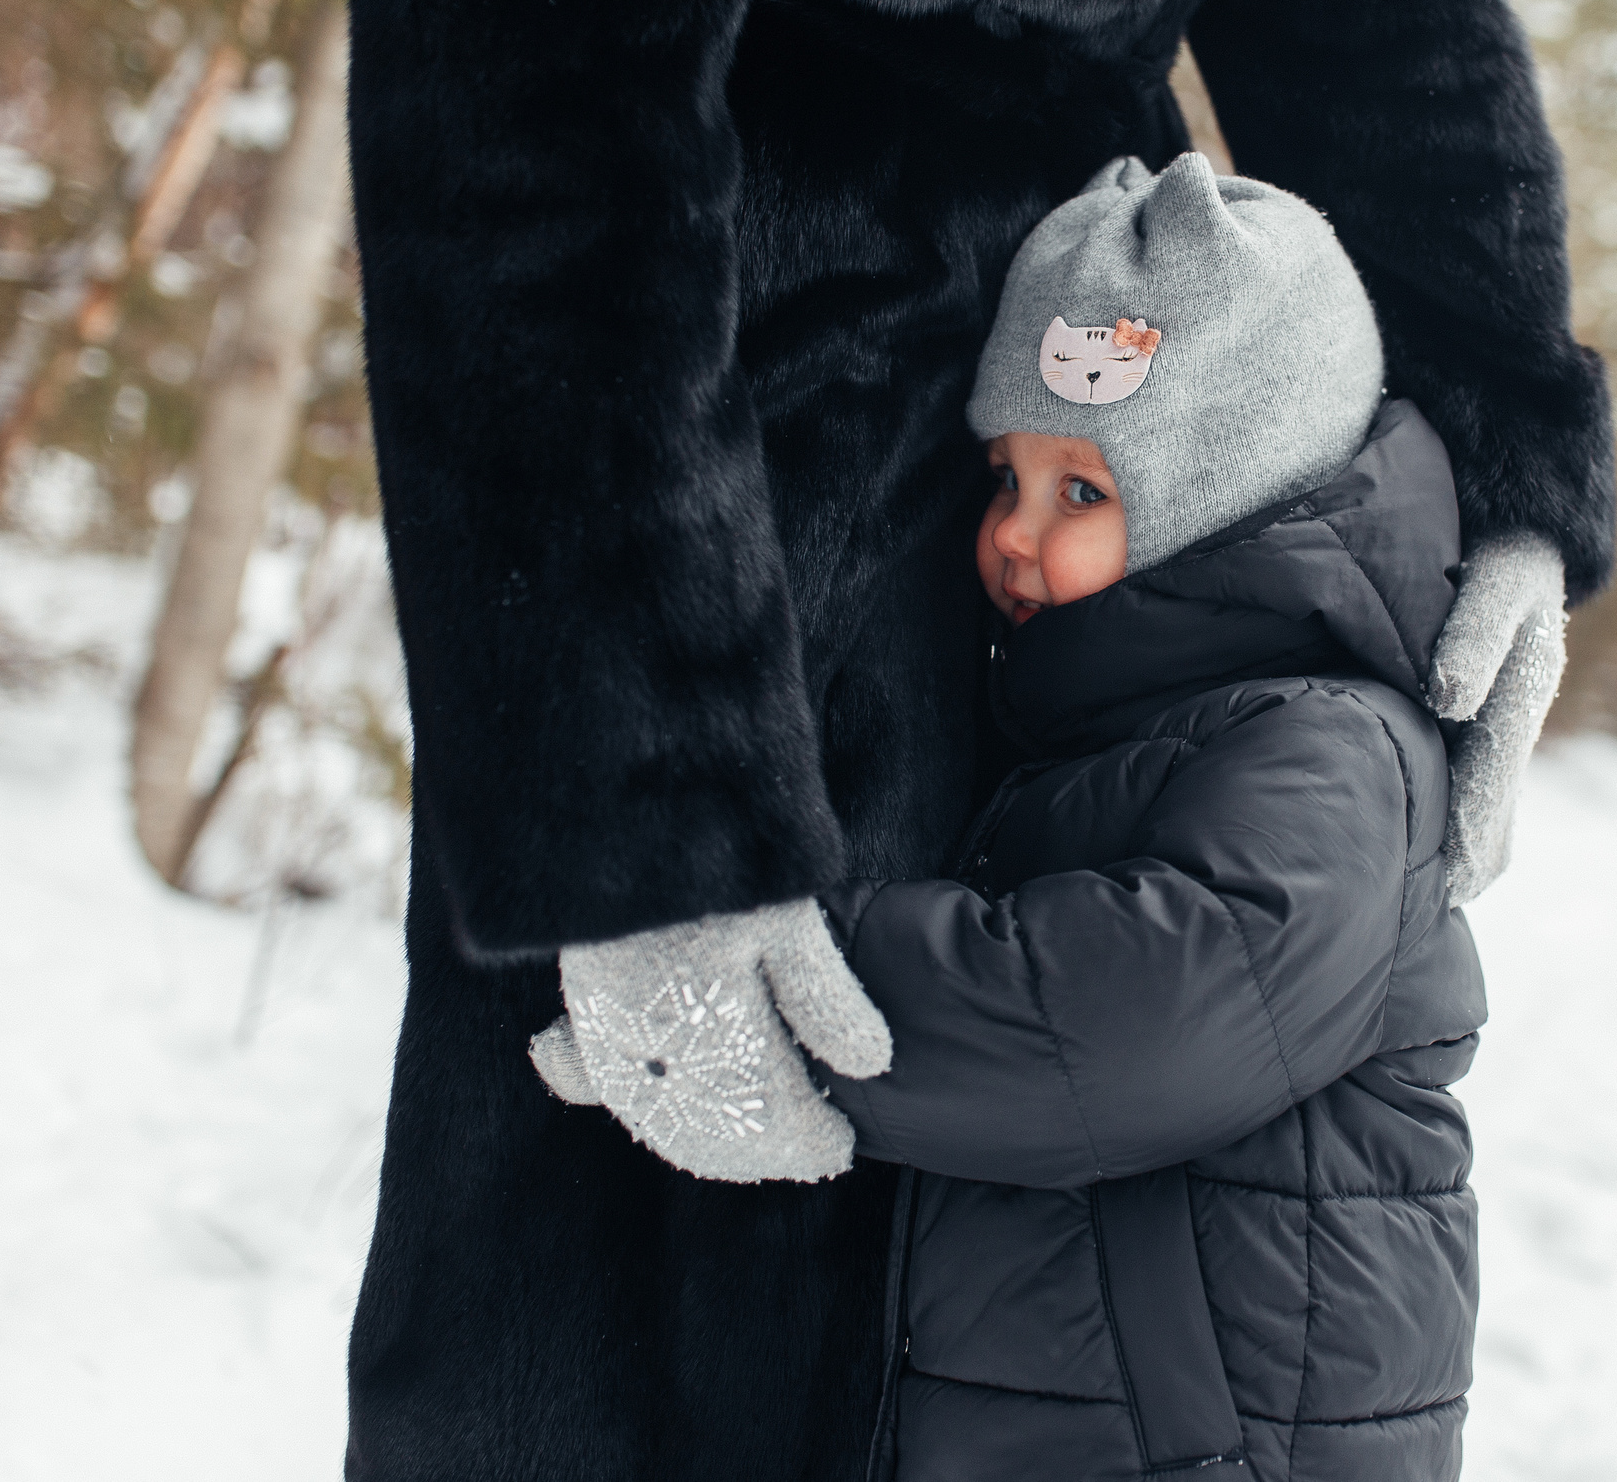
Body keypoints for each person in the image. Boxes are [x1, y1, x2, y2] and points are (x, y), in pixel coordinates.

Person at [340, 0, 1615, 1472]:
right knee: (636, 1350)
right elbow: (519, 58)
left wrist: (1491, 448)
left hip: (1129, 405)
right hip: (695, 452)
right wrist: (642, 795)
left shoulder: (1274, 716)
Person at [534, 156, 1485, 1480]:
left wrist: (778, 991)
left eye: (1082, 491)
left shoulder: (1325, 746)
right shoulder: (1109, 729)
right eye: (1006, 479)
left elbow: (1128, 1021)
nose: (1017, 537)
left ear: (1230, 497)